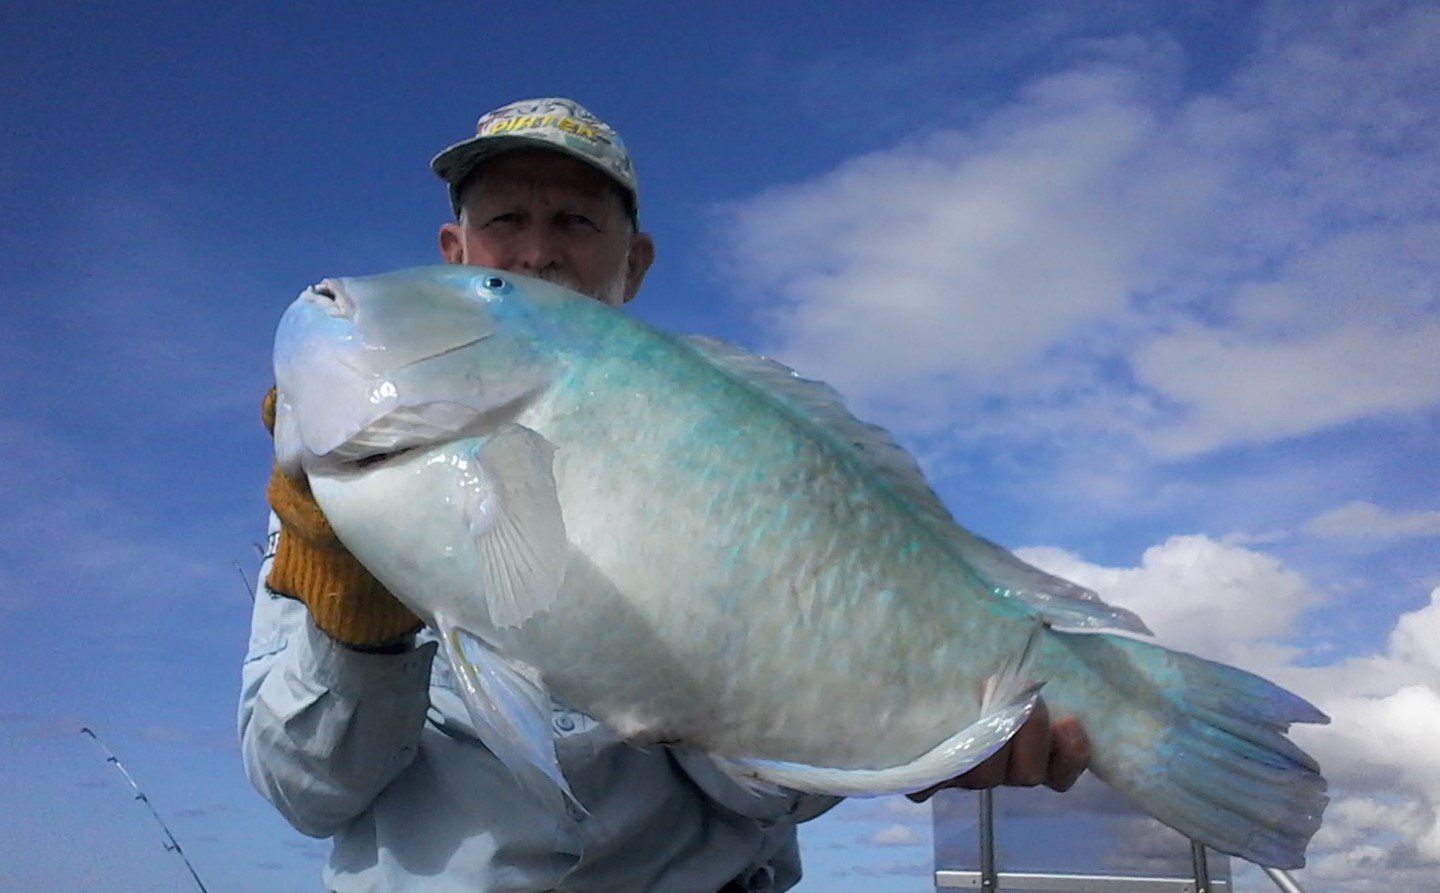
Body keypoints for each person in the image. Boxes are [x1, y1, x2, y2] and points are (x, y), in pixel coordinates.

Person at [239, 97, 1090, 893]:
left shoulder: (730, 450)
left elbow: (759, 794)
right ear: (455, 253)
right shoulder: (339, 484)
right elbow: (304, 787)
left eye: (575, 221)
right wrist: (349, 605)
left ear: (634, 262)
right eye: (505, 221)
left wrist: (932, 728)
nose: (537, 252)